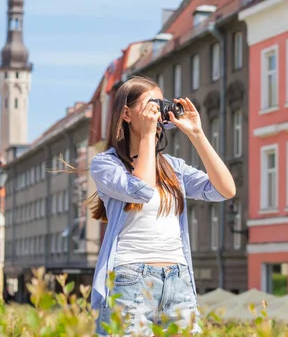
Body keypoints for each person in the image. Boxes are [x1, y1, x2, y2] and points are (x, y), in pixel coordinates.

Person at [89, 76, 236, 336]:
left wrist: (197, 134)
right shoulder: (106, 164)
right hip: (130, 278)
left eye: (159, 105)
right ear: (126, 113)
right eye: (149, 106)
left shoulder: (172, 167)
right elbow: (142, 190)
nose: (156, 113)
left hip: (178, 277)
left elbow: (225, 189)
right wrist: (147, 136)